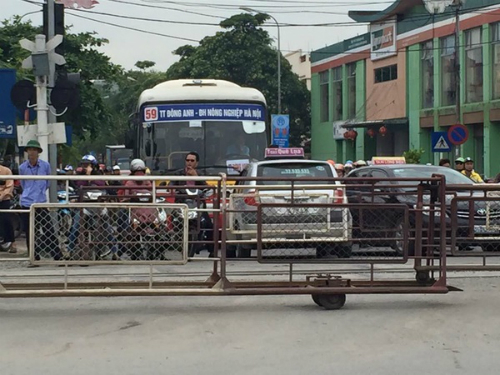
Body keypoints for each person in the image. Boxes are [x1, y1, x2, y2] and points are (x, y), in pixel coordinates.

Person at [19, 140, 62, 261]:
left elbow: (47, 182)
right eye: (30, 150)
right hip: (27, 202)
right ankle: (33, 255)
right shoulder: (22, 167)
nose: (31, 152)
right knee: (30, 231)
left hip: (40, 201)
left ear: (38, 152)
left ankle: (57, 254)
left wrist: (39, 191)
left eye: (34, 150)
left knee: (48, 228)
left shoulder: (45, 165)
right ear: (27, 152)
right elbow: (23, 184)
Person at [0, 159, 16, 253]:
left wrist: (1, 197)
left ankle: (13, 243)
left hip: (4, 199)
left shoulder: (6, 171)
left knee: (6, 220)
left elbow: (9, 187)